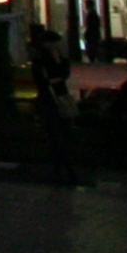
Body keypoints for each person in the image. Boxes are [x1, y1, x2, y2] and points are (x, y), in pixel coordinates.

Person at [28, 24, 86, 189]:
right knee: (56, 135)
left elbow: (63, 74)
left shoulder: (57, 58)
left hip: (58, 97)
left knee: (62, 134)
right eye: (52, 43)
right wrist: (56, 75)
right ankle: (62, 168)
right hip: (50, 100)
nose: (55, 47)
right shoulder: (41, 60)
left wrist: (58, 66)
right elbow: (45, 80)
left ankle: (61, 167)